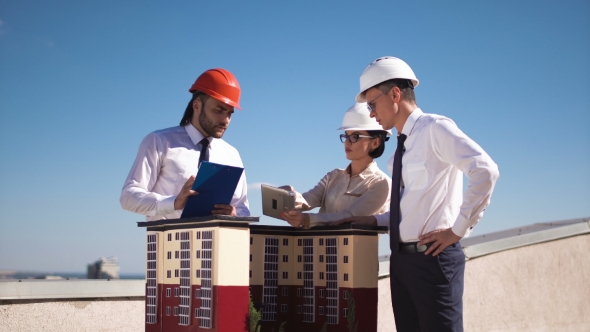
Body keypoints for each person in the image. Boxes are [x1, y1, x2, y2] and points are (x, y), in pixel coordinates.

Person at [334, 57, 499, 331]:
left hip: (433, 262)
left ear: (395, 94)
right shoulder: (400, 150)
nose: (371, 114)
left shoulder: (435, 128)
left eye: (373, 104)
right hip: (401, 264)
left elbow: (486, 170)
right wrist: (373, 222)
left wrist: (458, 229)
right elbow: (410, 211)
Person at [120, 68, 249, 220]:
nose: (226, 119)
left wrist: (234, 214)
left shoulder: (232, 155)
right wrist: (174, 202)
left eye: (229, 113)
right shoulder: (159, 141)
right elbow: (128, 197)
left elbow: (243, 209)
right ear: (197, 106)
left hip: (217, 242)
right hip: (168, 242)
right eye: (219, 110)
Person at [281, 103, 392, 229]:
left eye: (355, 136)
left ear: (376, 142)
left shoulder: (382, 184)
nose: (347, 142)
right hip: (319, 247)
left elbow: (349, 216)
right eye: (346, 136)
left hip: (354, 249)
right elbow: (308, 200)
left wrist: (306, 219)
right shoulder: (333, 176)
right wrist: (289, 197)